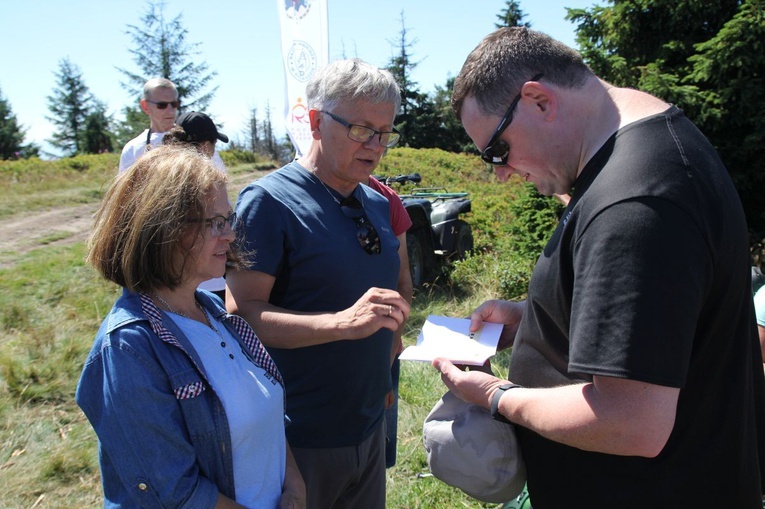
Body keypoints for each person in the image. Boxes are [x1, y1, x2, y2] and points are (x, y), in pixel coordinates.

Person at [434, 27, 765, 508]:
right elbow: (663, 316)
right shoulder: (648, 150)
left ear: (538, 101)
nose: (501, 172)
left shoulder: (632, 202)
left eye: (497, 150)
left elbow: (632, 422)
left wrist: (494, 394)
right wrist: (536, 319)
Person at [76, 145, 305, 508]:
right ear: (162, 229)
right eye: (214, 222)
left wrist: (294, 486)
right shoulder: (130, 348)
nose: (229, 235)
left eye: (227, 219)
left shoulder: (215, 312)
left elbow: (269, 417)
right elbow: (179, 494)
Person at [226, 58, 410, 509]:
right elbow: (240, 314)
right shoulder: (268, 203)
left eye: (385, 132)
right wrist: (341, 324)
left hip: (368, 423)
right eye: (362, 129)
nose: (376, 145)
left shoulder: (377, 201)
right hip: (299, 440)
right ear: (315, 121)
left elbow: (397, 290)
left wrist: (385, 364)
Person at [367, 175, 413, 468]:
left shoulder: (387, 200)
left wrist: (393, 342)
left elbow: (403, 280)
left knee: (378, 452)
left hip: (385, 349)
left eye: (383, 135)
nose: (374, 146)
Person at [163, 110, 231, 300]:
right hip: (207, 282)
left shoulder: (160, 179)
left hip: (169, 284)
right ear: (204, 146)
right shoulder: (205, 185)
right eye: (214, 145)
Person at [118, 77, 225, 172]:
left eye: (174, 104)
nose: (170, 110)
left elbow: (218, 183)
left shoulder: (197, 138)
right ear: (145, 106)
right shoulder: (133, 149)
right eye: (162, 105)